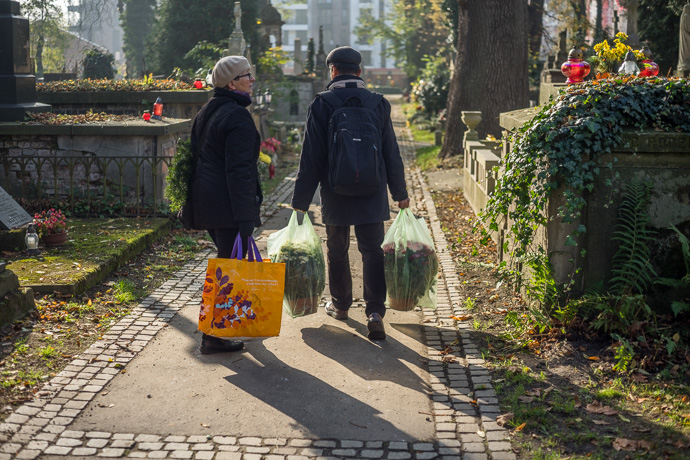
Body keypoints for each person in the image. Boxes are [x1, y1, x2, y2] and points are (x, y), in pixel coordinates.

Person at [291, 46, 410, 341]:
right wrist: (400, 193)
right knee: (372, 250)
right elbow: (390, 153)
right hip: (373, 190)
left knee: (337, 249)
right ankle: (374, 312)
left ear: (332, 71)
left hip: (335, 190)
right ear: (360, 71)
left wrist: (300, 203)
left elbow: (311, 158)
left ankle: (341, 306)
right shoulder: (377, 103)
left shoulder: (323, 103)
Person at [190, 55, 263, 354]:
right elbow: (239, 171)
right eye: (247, 75)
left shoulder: (209, 109)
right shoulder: (236, 116)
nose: (252, 80)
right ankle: (213, 337)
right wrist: (246, 217)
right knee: (227, 270)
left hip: (210, 203)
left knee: (224, 266)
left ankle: (217, 331)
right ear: (232, 82)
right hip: (228, 206)